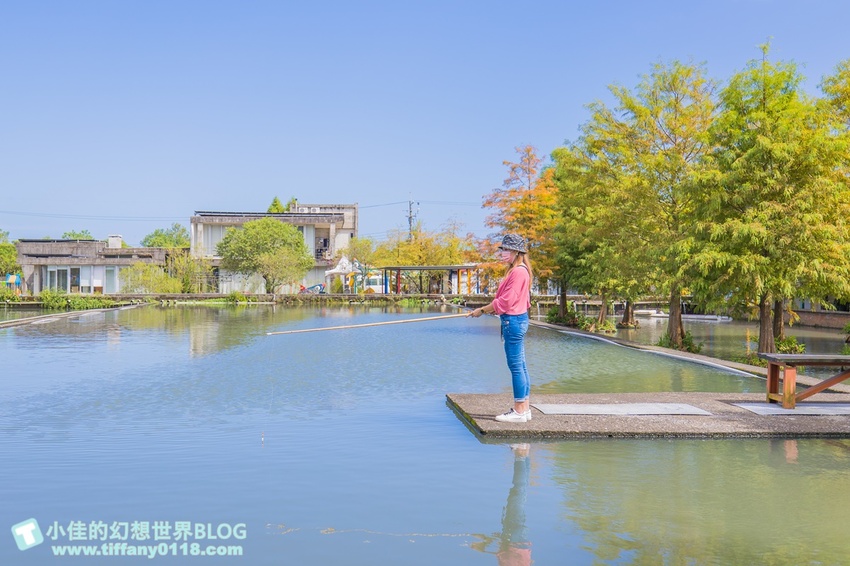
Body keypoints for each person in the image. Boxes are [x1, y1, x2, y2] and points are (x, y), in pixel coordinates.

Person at [468, 234, 532, 423]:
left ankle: (519, 410)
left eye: (505, 249)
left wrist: (482, 310)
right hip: (516, 320)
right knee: (520, 365)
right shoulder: (520, 271)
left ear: (515, 251)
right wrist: (485, 310)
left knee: (516, 366)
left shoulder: (518, 272)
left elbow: (506, 301)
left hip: (513, 322)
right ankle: (525, 408)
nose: (503, 253)